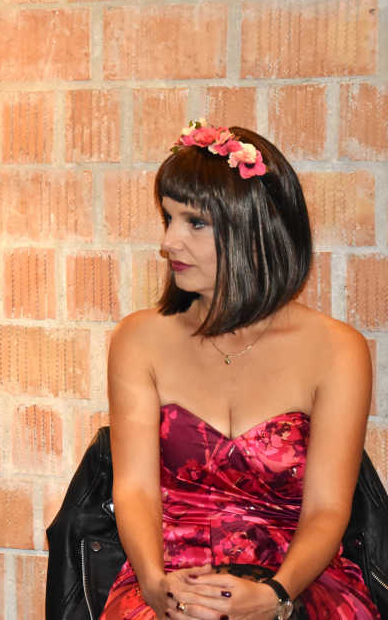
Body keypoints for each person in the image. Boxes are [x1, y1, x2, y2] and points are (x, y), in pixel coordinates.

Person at [103, 121, 381, 620]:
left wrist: (276, 595)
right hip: (170, 574)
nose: (169, 242)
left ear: (255, 229)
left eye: (195, 223)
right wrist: (153, 583)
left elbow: (327, 509)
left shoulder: (337, 350)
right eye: (168, 218)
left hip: (297, 577)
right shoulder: (139, 339)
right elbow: (135, 489)